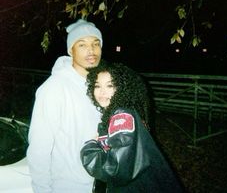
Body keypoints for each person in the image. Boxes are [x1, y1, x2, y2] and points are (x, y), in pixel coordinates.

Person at [80, 62, 185, 193]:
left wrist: (89, 148)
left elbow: (117, 169)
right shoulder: (117, 112)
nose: (102, 92)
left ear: (123, 88)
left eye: (110, 85)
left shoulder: (122, 116)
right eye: (97, 86)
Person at [26, 19, 103, 193]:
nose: (91, 50)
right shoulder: (54, 88)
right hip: (68, 187)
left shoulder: (100, 87)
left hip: (98, 184)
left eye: (96, 44)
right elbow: (39, 149)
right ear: (71, 51)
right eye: (82, 45)